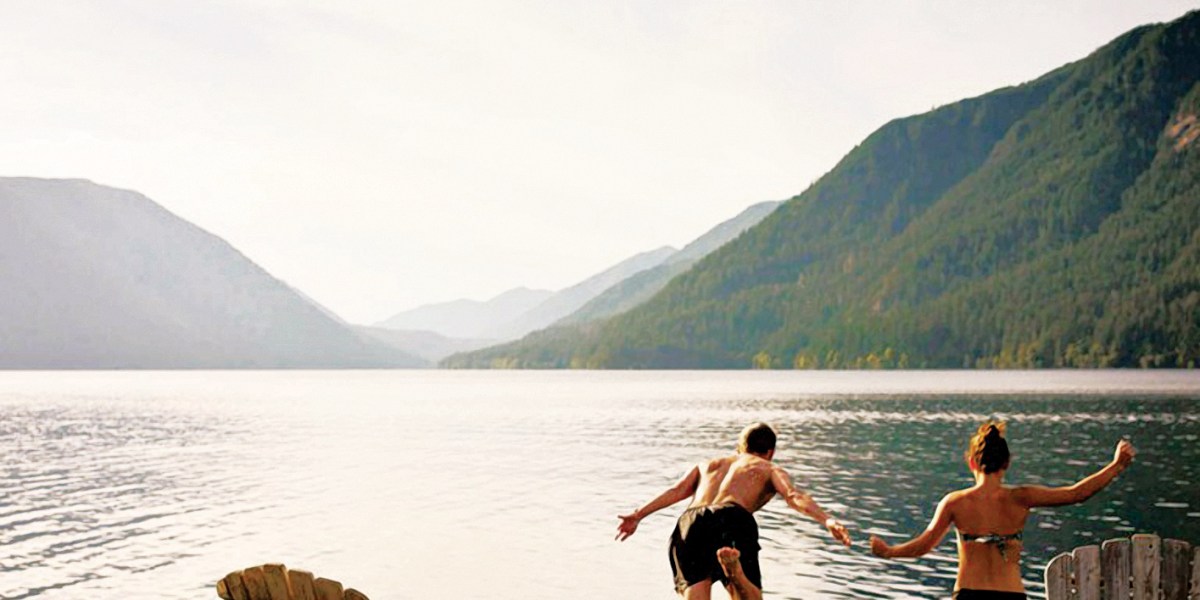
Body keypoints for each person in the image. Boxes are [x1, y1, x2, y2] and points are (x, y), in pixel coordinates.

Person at [869, 421, 1137, 600]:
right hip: (1011, 595)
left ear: (971, 462)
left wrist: (889, 551)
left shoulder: (955, 503)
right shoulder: (1020, 498)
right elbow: (1077, 493)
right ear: (1007, 462)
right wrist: (1116, 465)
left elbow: (924, 545)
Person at [615, 422, 852, 600]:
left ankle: (733, 571)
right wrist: (827, 520)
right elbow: (793, 496)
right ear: (770, 451)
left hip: (690, 522)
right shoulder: (768, 467)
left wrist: (638, 515)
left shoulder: (708, 464)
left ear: (739, 448)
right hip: (732, 517)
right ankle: (735, 573)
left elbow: (676, 490)